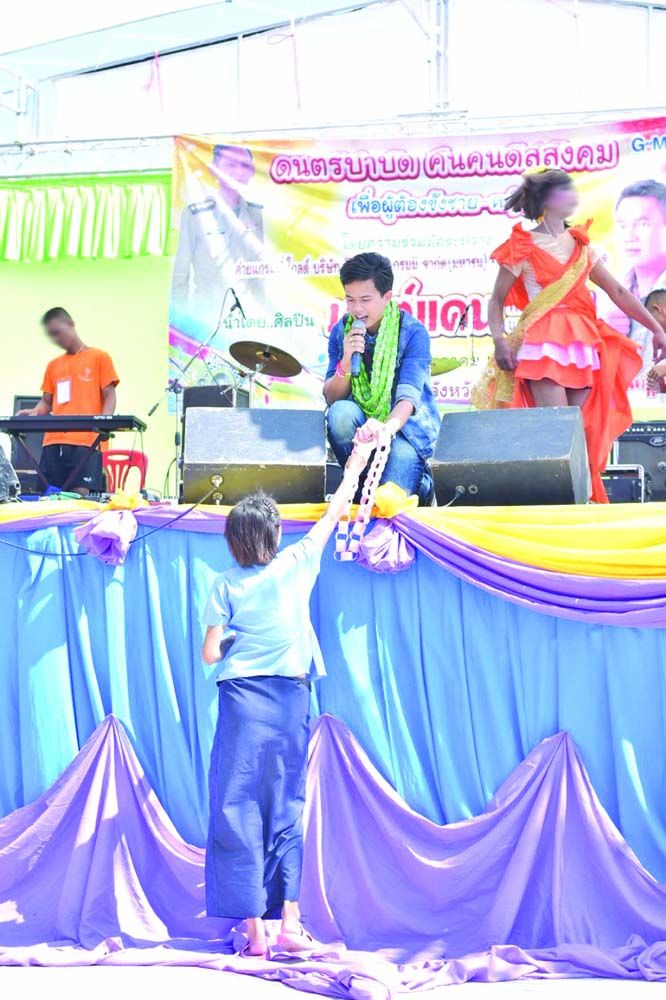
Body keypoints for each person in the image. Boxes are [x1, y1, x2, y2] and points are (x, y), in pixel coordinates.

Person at [201, 444, 371, 958]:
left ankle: (255, 934)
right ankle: (290, 925)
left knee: (237, 806)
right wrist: (358, 458)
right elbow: (338, 506)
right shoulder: (298, 561)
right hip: (290, 700)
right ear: (274, 536)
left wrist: (237, 639)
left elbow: (210, 654)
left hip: (241, 702)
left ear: (233, 541)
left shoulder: (223, 584)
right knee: (286, 805)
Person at [473, 169, 666, 503]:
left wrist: (657, 328)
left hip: (581, 344)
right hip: (542, 343)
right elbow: (496, 300)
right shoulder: (522, 245)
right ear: (546, 200)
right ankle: (557, 503)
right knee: (557, 430)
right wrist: (499, 339)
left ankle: (581, 500)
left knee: (582, 430)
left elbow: (619, 292)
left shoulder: (582, 245)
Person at [324, 252, 441, 504]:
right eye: (350, 299)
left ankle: (420, 482)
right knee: (340, 414)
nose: (357, 309)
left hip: (404, 431)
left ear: (387, 297)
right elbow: (332, 398)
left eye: (365, 300)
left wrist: (384, 430)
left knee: (388, 500)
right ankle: (360, 482)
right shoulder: (341, 332)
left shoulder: (413, 333)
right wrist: (346, 362)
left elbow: (408, 399)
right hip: (362, 431)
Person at [17, 308, 119, 495]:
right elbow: (46, 401)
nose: (56, 339)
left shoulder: (99, 357)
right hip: (53, 441)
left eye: (58, 332)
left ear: (70, 324)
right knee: (48, 497)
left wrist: (105, 423)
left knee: (79, 497)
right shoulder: (53, 365)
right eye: (51, 336)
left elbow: (110, 395)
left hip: (86, 441)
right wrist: (34, 412)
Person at [171, 144, 264, 313]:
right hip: (208, 315)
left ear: (251, 172)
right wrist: (179, 320)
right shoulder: (195, 215)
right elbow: (180, 273)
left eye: (244, 166)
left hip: (250, 316)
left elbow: (262, 272)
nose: (238, 172)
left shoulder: (256, 214)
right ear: (215, 169)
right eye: (231, 165)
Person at [603, 179, 666, 370]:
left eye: (643, 224)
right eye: (622, 225)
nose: (629, 236)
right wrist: (607, 335)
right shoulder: (608, 299)